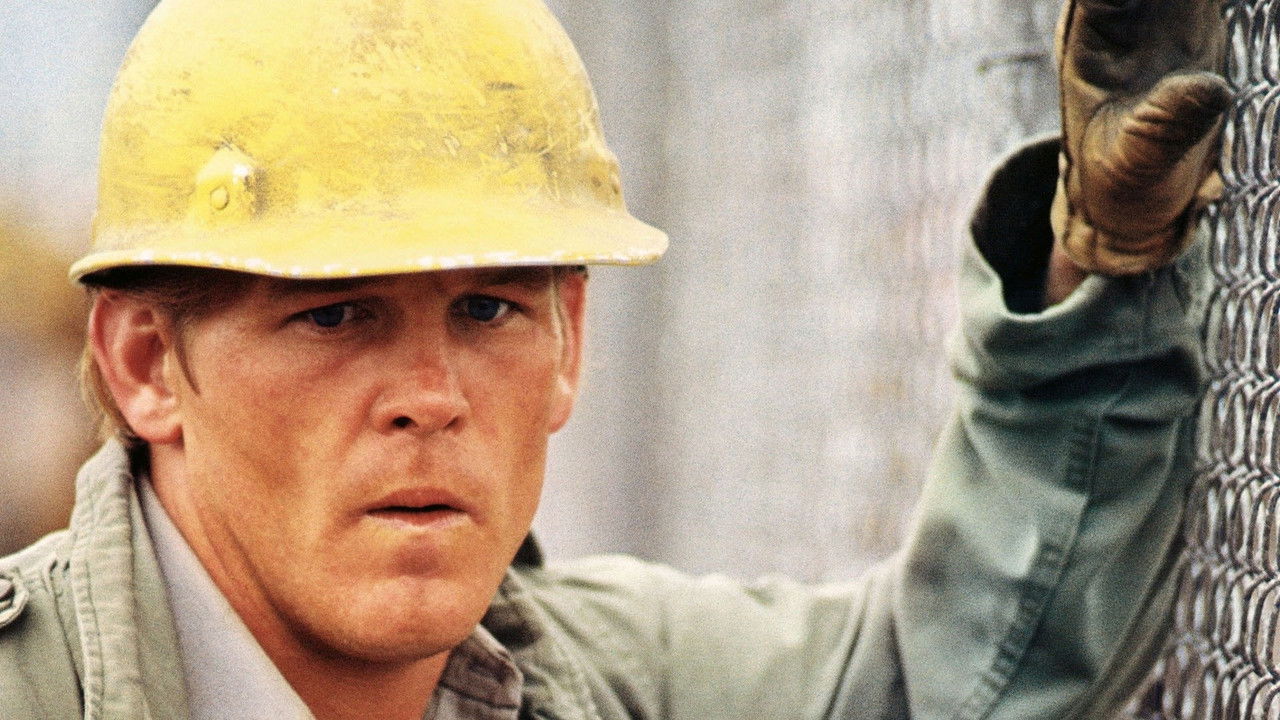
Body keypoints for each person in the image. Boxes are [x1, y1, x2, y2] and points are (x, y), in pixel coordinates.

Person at [0, 0, 1229, 718]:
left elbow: (945, 679)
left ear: (569, 343)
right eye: (334, 317)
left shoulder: (603, 678)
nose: (429, 397)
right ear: (147, 363)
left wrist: (1091, 269)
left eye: (487, 310)